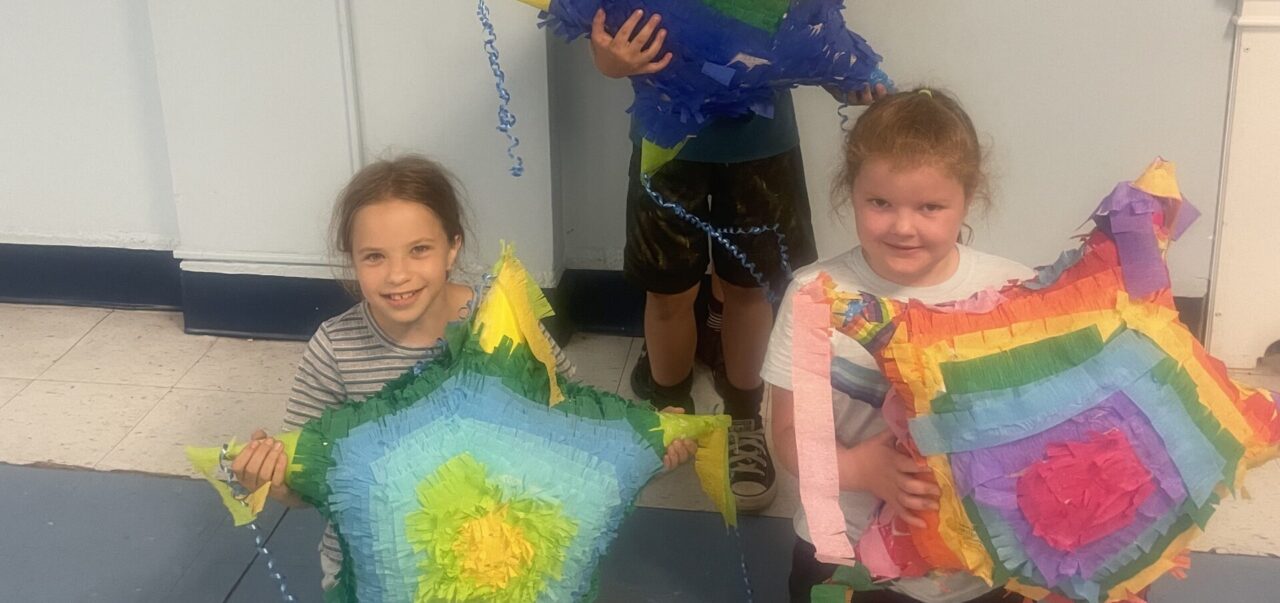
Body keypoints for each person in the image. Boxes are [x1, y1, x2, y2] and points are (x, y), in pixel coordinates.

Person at [230, 154, 694, 592]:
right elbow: (306, 480)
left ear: (453, 248)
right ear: (351, 258)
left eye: (419, 250)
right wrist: (271, 478)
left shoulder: (501, 321)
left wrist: (651, 443)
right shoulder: (335, 348)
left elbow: (571, 421)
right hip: (381, 571)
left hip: (507, 556)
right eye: (374, 256)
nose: (397, 274)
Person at [589, 7, 885, 511]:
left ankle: (744, 417)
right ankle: (668, 411)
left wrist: (846, 77)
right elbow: (603, 30)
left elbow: (807, 30)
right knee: (667, 290)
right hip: (667, 144)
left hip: (760, 147)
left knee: (751, 287)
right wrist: (609, 59)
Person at [763, 89, 1036, 602]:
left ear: (968, 199)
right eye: (880, 203)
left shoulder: (1009, 293)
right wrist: (860, 469)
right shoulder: (815, 295)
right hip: (844, 556)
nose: (903, 226)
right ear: (851, 193)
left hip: (978, 568)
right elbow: (786, 431)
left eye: (930, 206)